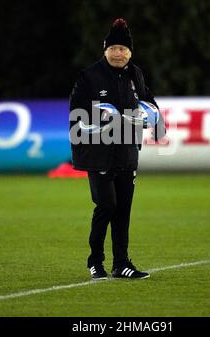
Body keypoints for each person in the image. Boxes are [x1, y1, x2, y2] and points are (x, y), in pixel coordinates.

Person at [69, 18, 166, 280]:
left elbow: (150, 104)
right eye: (113, 49)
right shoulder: (88, 76)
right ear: (105, 49)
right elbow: (76, 115)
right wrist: (99, 120)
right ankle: (95, 261)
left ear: (130, 52)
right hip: (98, 154)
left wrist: (155, 120)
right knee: (107, 205)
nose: (118, 53)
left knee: (123, 209)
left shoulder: (136, 74)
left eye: (123, 49)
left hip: (127, 153)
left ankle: (121, 263)